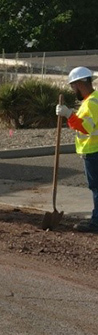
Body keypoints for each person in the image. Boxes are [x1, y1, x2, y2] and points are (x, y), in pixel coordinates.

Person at [56, 66, 98, 232]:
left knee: (96, 188)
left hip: (94, 151)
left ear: (80, 83)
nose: (73, 91)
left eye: (73, 87)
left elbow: (86, 128)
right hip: (93, 151)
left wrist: (68, 115)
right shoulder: (92, 100)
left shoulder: (91, 103)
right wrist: (69, 115)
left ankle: (96, 223)